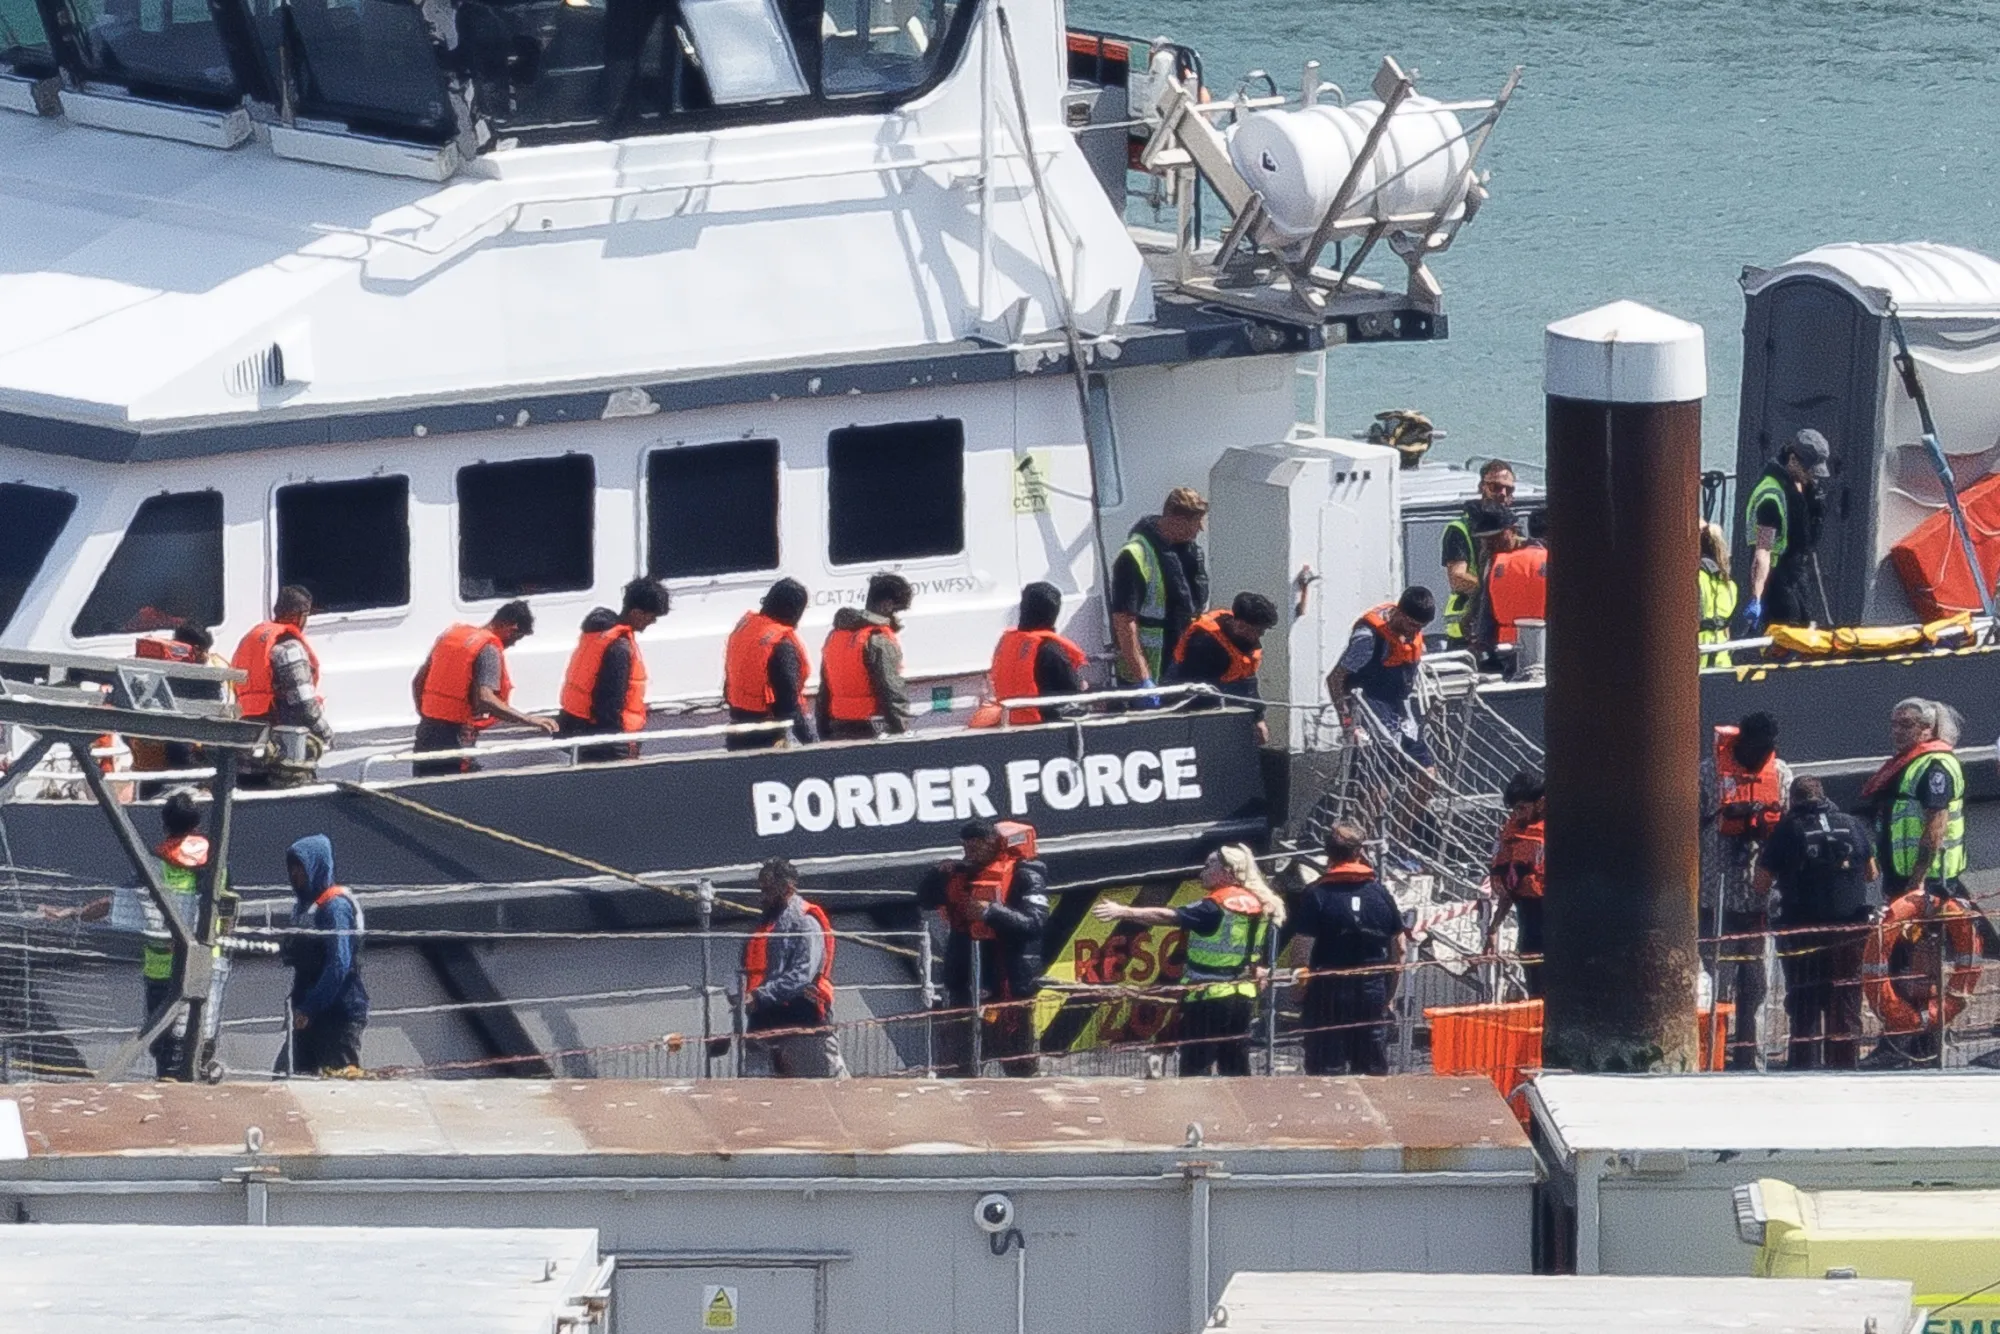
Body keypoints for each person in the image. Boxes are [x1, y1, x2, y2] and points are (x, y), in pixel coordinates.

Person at [40, 791, 225, 1079]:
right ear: (196, 825)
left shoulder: (155, 864)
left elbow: (116, 904)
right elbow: (227, 910)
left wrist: (73, 912)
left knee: (164, 1047)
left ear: (165, 825)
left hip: (162, 972)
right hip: (205, 968)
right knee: (199, 1041)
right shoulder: (215, 864)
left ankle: (170, 1089)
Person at [1090, 844, 1283, 1076]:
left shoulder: (1215, 906)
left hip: (1208, 996)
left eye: (1209, 866)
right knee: (1235, 1064)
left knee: (1196, 1064)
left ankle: (1197, 1100)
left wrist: (1124, 912)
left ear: (1227, 872)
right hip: (1243, 995)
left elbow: (1167, 916)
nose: (1203, 872)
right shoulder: (1260, 904)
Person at [1755, 775, 1877, 1070]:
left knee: (1805, 998)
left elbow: (1761, 882)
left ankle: (1804, 1067)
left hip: (1803, 930)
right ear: (1824, 796)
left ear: (1792, 800)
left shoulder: (1788, 828)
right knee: (1845, 996)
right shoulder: (1851, 823)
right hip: (1849, 929)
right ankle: (1845, 1065)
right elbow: (1871, 873)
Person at [915, 820, 1049, 1077]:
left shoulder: (1026, 874)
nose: (970, 853)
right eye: (967, 847)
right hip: (964, 981)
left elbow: (1035, 923)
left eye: (977, 846)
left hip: (1007, 982)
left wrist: (990, 913)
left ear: (994, 843)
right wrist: (937, 874)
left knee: (1019, 1064)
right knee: (958, 1064)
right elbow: (925, 899)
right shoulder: (959, 874)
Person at [1698, 712, 1790, 1070]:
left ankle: (1748, 1053)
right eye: (1755, 746)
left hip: (1758, 898)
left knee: (1755, 982)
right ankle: (1715, 1053)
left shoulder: (1780, 773)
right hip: (1715, 894)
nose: (1760, 753)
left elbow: (1790, 825)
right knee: (1717, 979)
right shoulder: (1708, 773)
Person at [1285, 824, 1405, 1076]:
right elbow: (1400, 949)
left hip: (1327, 989)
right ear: (1359, 852)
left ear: (1328, 853)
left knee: (1325, 1070)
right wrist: (1389, 995)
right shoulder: (1380, 893)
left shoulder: (1316, 894)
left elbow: (1301, 951)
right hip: (1371, 988)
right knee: (1372, 1069)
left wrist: (1298, 991)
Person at [410, 600, 555, 776]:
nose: (513, 644)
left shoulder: (450, 637)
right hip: (455, 736)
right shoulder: (488, 649)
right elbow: (485, 698)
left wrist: (428, 714)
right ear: (511, 628)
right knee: (455, 787)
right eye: (517, 638)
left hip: (426, 732)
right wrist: (529, 720)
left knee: (424, 784)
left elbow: (417, 682)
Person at [737, 858, 846, 1077]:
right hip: (765, 1015)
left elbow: (803, 974)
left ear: (787, 888)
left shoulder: (806, 923)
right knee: (757, 1081)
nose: (763, 896)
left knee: (815, 1082)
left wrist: (759, 995)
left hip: (801, 1013)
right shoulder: (767, 924)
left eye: (768, 890)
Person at [276, 834, 367, 1077]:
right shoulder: (304, 907)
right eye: (292, 867)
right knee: (287, 1076)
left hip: (337, 1015)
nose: (294, 874)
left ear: (316, 866)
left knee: (337, 1082)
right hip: (308, 1013)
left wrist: (309, 1008)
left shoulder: (335, 908)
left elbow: (339, 964)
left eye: (300, 867)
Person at [1110, 487, 1210, 693]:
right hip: (1149, 669)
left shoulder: (1186, 553)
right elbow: (1124, 621)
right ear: (1175, 519)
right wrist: (1143, 678)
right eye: (1195, 522)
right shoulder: (1134, 555)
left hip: (1179, 664)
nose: (1200, 529)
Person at [559, 577, 670, 762]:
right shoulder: (619, 648)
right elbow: (609, 703)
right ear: (636, 613)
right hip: (605, 742)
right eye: (652, 616)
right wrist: (619, 748)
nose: (653, 622)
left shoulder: (599, 634)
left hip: (581, 729)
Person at [231, 585, 332, 783]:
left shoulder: (250, 641)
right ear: (300, 616)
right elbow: (304, 705)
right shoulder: (289, 649)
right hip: (282, 753)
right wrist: (325, 733)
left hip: (248, 746)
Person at [1328, 586, 1437, 769]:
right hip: (1370, 714)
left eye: (1421, 627)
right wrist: (1347, 722)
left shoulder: (1411, 636)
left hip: (1401, 714)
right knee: (1377, 778)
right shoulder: (1367, 639)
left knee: (1426, 771)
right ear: (1399, 613)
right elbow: (1335, 679)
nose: (1415, 632)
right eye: (1412, 625)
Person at [1743, 428, 1830, 630]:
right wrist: (1756, 598)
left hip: (1797, 576)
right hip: (1777, 581)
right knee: (1786, 633)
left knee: (1806, 630)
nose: (1812, 476)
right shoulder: (1771, 496)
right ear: (1792, 459)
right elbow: (1763, 551)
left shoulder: (1803, 488)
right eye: (1809, 470)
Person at [1164, 592, 1279, 745]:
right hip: (1189, 691)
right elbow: (1198, 693)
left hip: (1223, 686)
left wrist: (1258, 719)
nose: (1261, 635)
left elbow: (1248, 682)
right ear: (1241, 625)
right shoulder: (1205, 642)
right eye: (1258, 630)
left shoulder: (1247, 640)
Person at [816, 573, 913, 741]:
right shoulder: (878, 639)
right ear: (887, 605)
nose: (898, 619)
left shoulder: (835, 636)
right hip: (872, 729)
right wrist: (901, 730)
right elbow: (892, 689)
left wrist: (823, 731)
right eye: (898, 611)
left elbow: (824, 691)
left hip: (837, 727)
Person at [723, 578, 816, 749]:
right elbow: (788, 705)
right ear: (794, 610)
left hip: (737, 731)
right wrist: (813, 745)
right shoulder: (780, 644)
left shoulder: (745, 629)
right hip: (766, 736)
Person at [1484, 770, 1547, 999]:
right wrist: (1493, 927)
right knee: (1534, 984)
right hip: (1528, 924)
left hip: (1555, 923)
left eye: (1521, 808)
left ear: (1540, 803)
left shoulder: (1556, 832)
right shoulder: (1514, 832)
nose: (1517, 815)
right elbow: (1512, 887)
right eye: (1514, 810)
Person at [989, 582, 1089, 724]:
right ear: (1054, 613)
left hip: (1010, 720)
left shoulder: (1006, 643)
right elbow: (1075, 689)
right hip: (1041, 724)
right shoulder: (1049, 649)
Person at [1440, 459, 1516, 644]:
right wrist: (1497, 590)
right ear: (1482, 487)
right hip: (1466, 630)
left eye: (1509, 489)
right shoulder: (1459, 529)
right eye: (1495, 487)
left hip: (1505, 624)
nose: (1502, 494)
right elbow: (1457, 579)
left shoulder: (1512, 529)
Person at [1472, 505, 1546, 671]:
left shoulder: (1545, 556)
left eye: (1496, 537)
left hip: (1545, 647)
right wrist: (1482, 644)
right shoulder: (1494, 562)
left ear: (1513, 530)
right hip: (1505, 653)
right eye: (1484, 539)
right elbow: (1486, 608)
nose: (1489, 544)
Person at [1698, 521, 1739, 668]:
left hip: (1697, 664)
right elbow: (1726, 629)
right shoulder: (1729, 584)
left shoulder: (1693, 581)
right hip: (1722, 662)